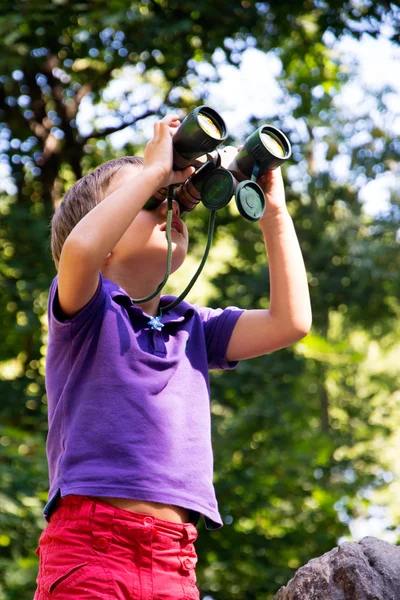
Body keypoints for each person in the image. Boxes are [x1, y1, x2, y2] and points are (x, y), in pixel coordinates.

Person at [34, 114, 312, 599]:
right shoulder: (86, 313)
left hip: (173, 557)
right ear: (104, 239)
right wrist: (151, 170)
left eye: (177, 200)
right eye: (151, 202)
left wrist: (275, 215)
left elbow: (290, 322)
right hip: (90, 548)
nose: (172, 208)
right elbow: (78, 252)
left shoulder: (194, 327)